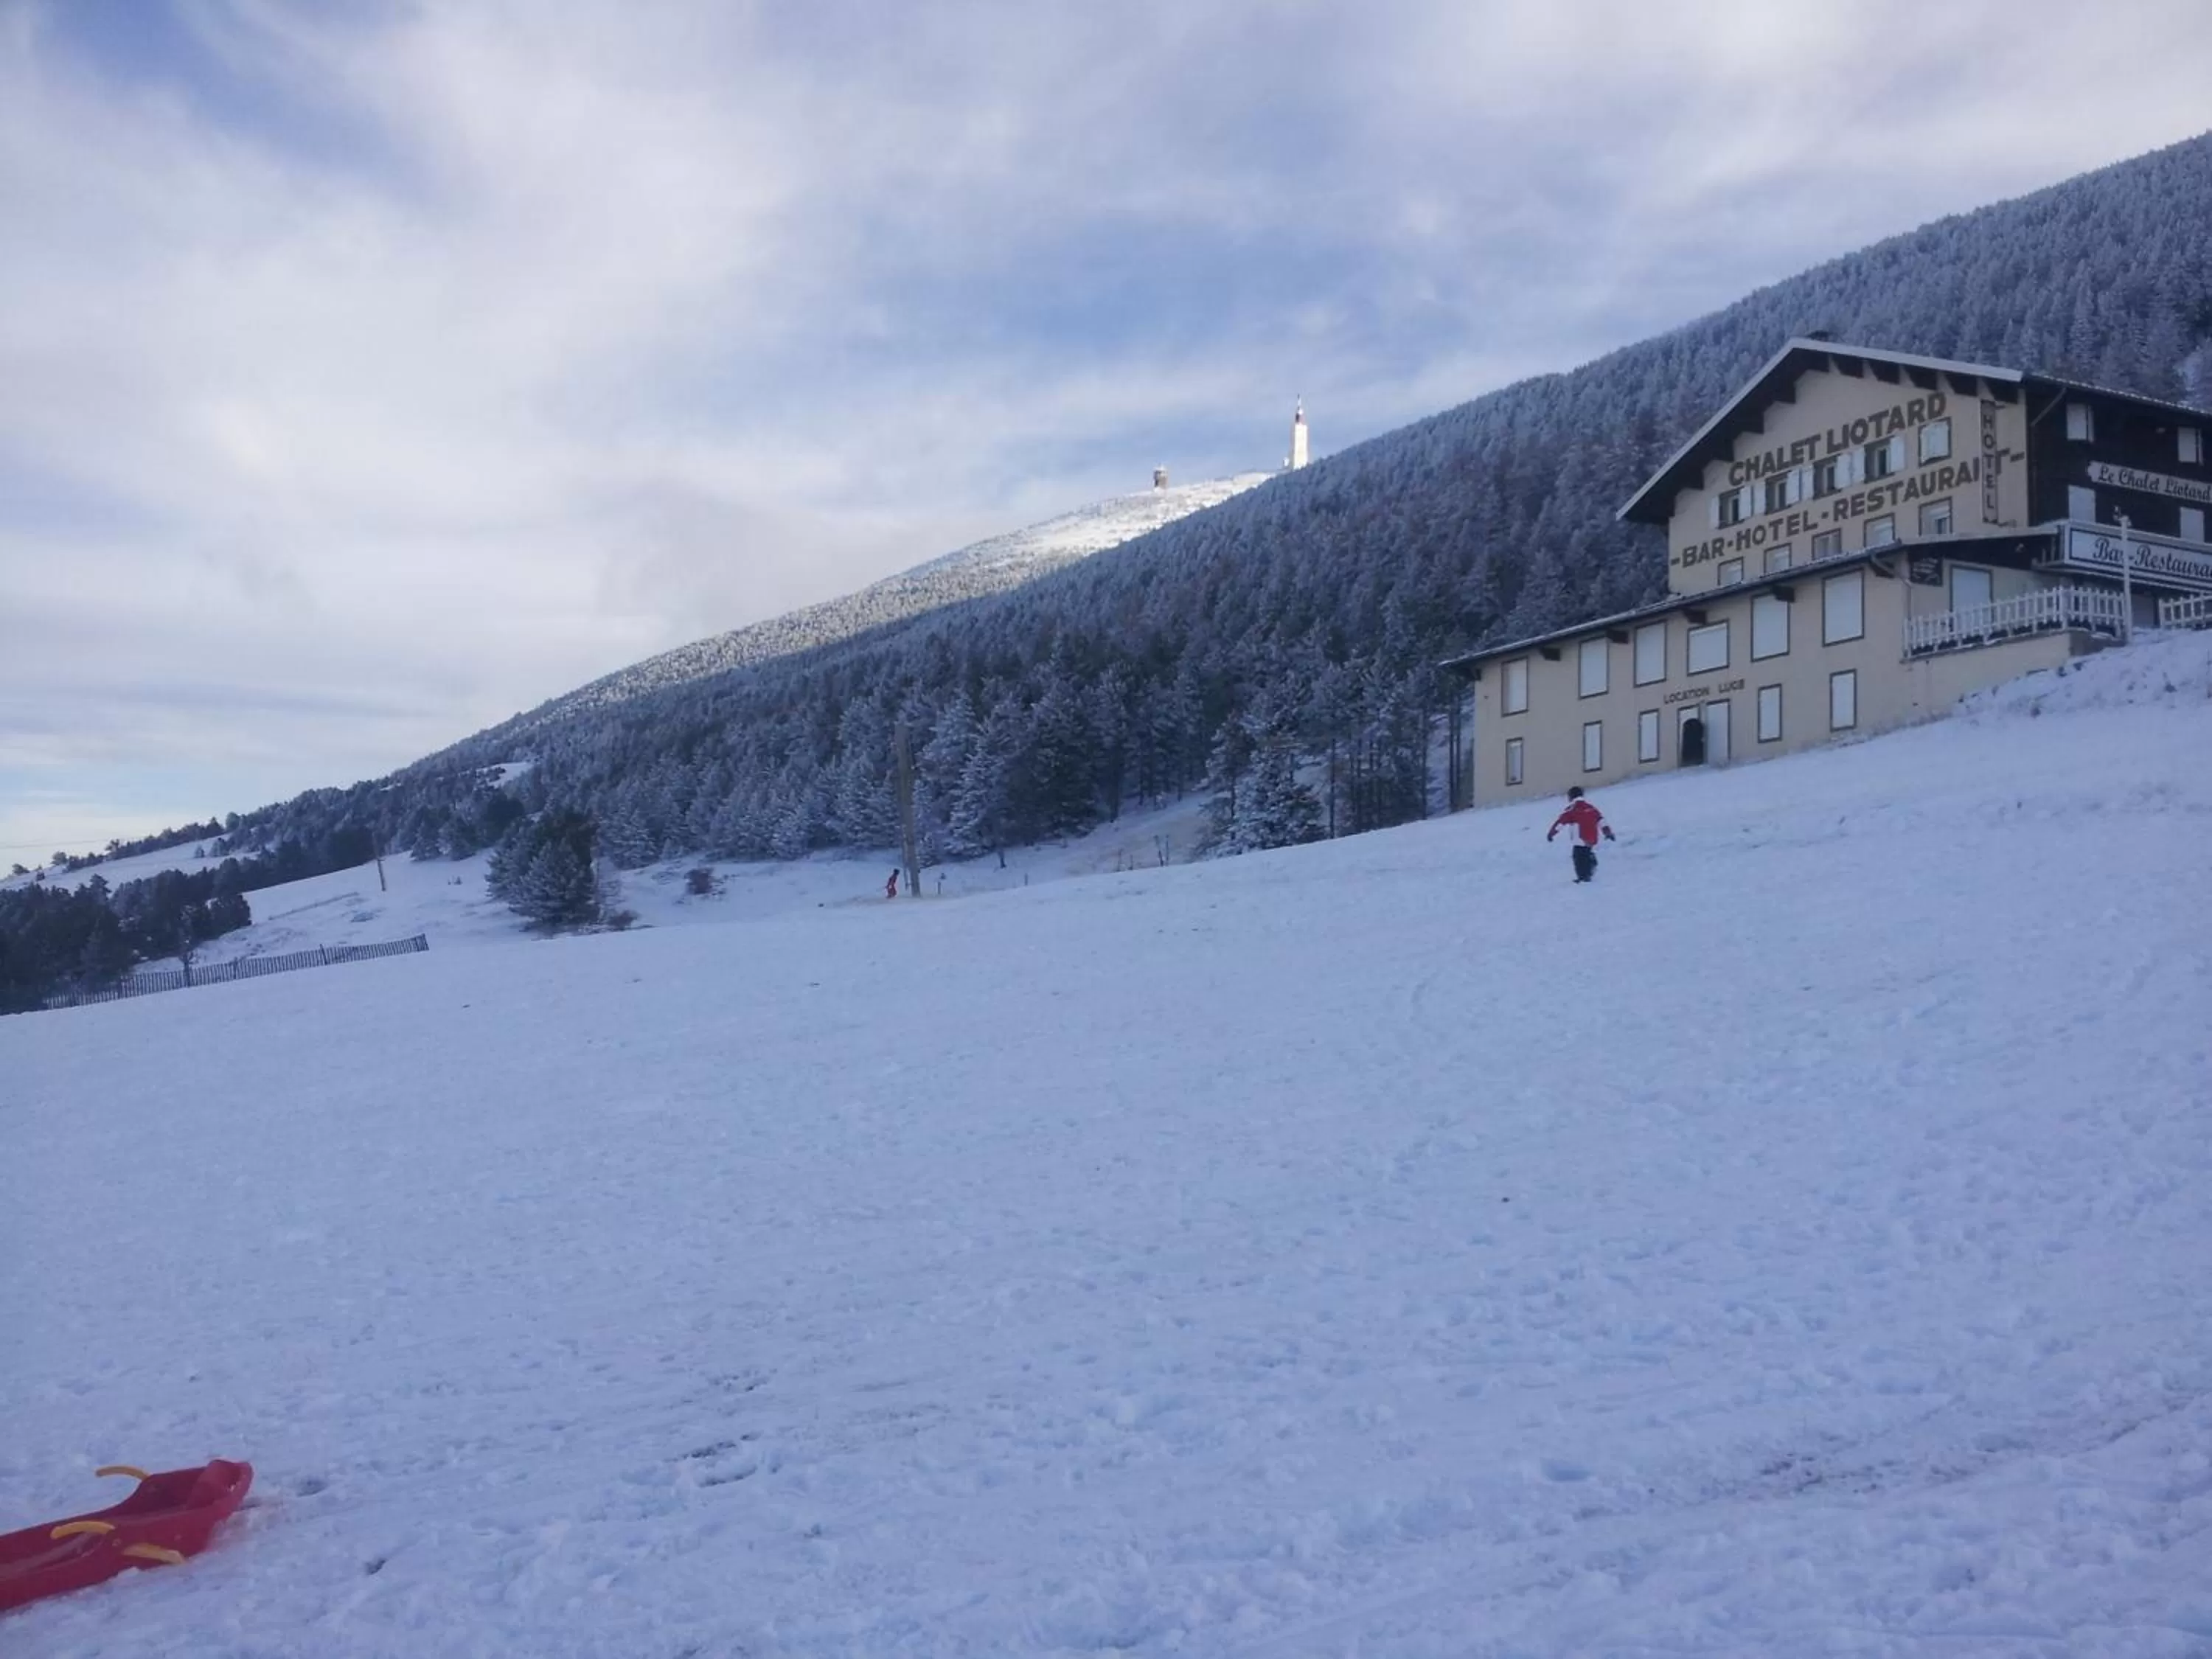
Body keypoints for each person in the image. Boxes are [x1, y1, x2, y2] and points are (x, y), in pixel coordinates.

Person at [1546, 786, 1615, 883]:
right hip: (1592, 837)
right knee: (1586, 853)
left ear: (1571, 797)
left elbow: (1561, 823)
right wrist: (1608, 833)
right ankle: (1590, 865)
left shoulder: (1572, 810)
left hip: (1580, 838)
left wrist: (1551, 834)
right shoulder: (1591, 808)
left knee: (1578, 858)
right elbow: (1601, 821)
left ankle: (1583, 877)